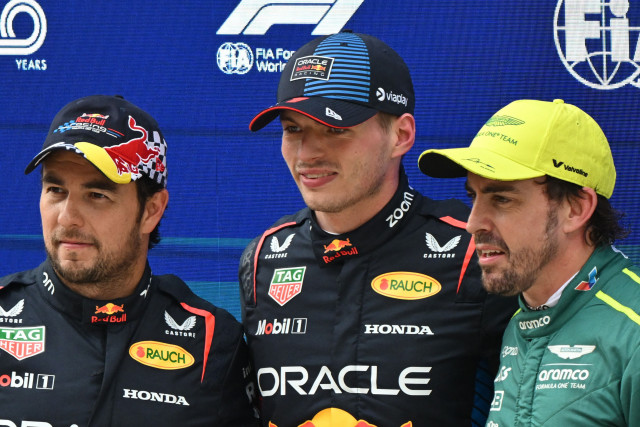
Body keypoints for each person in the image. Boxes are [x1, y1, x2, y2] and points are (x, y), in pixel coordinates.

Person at [238, 30, 517, 427]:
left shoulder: (471, 249)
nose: (307, 154)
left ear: (401, 136)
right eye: (292, 129)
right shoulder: (263, 258)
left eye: (335, 129)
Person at [0, 95, 259, 426]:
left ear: (151, 210)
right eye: (55, 190)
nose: (66, 218)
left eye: (97, 195)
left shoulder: (211, 341)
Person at [418, 98, 640, 425]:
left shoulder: (632, 331)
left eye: (502, 199)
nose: (473, 223)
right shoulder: (521, 321)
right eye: (473, 197)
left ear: (576, 209)